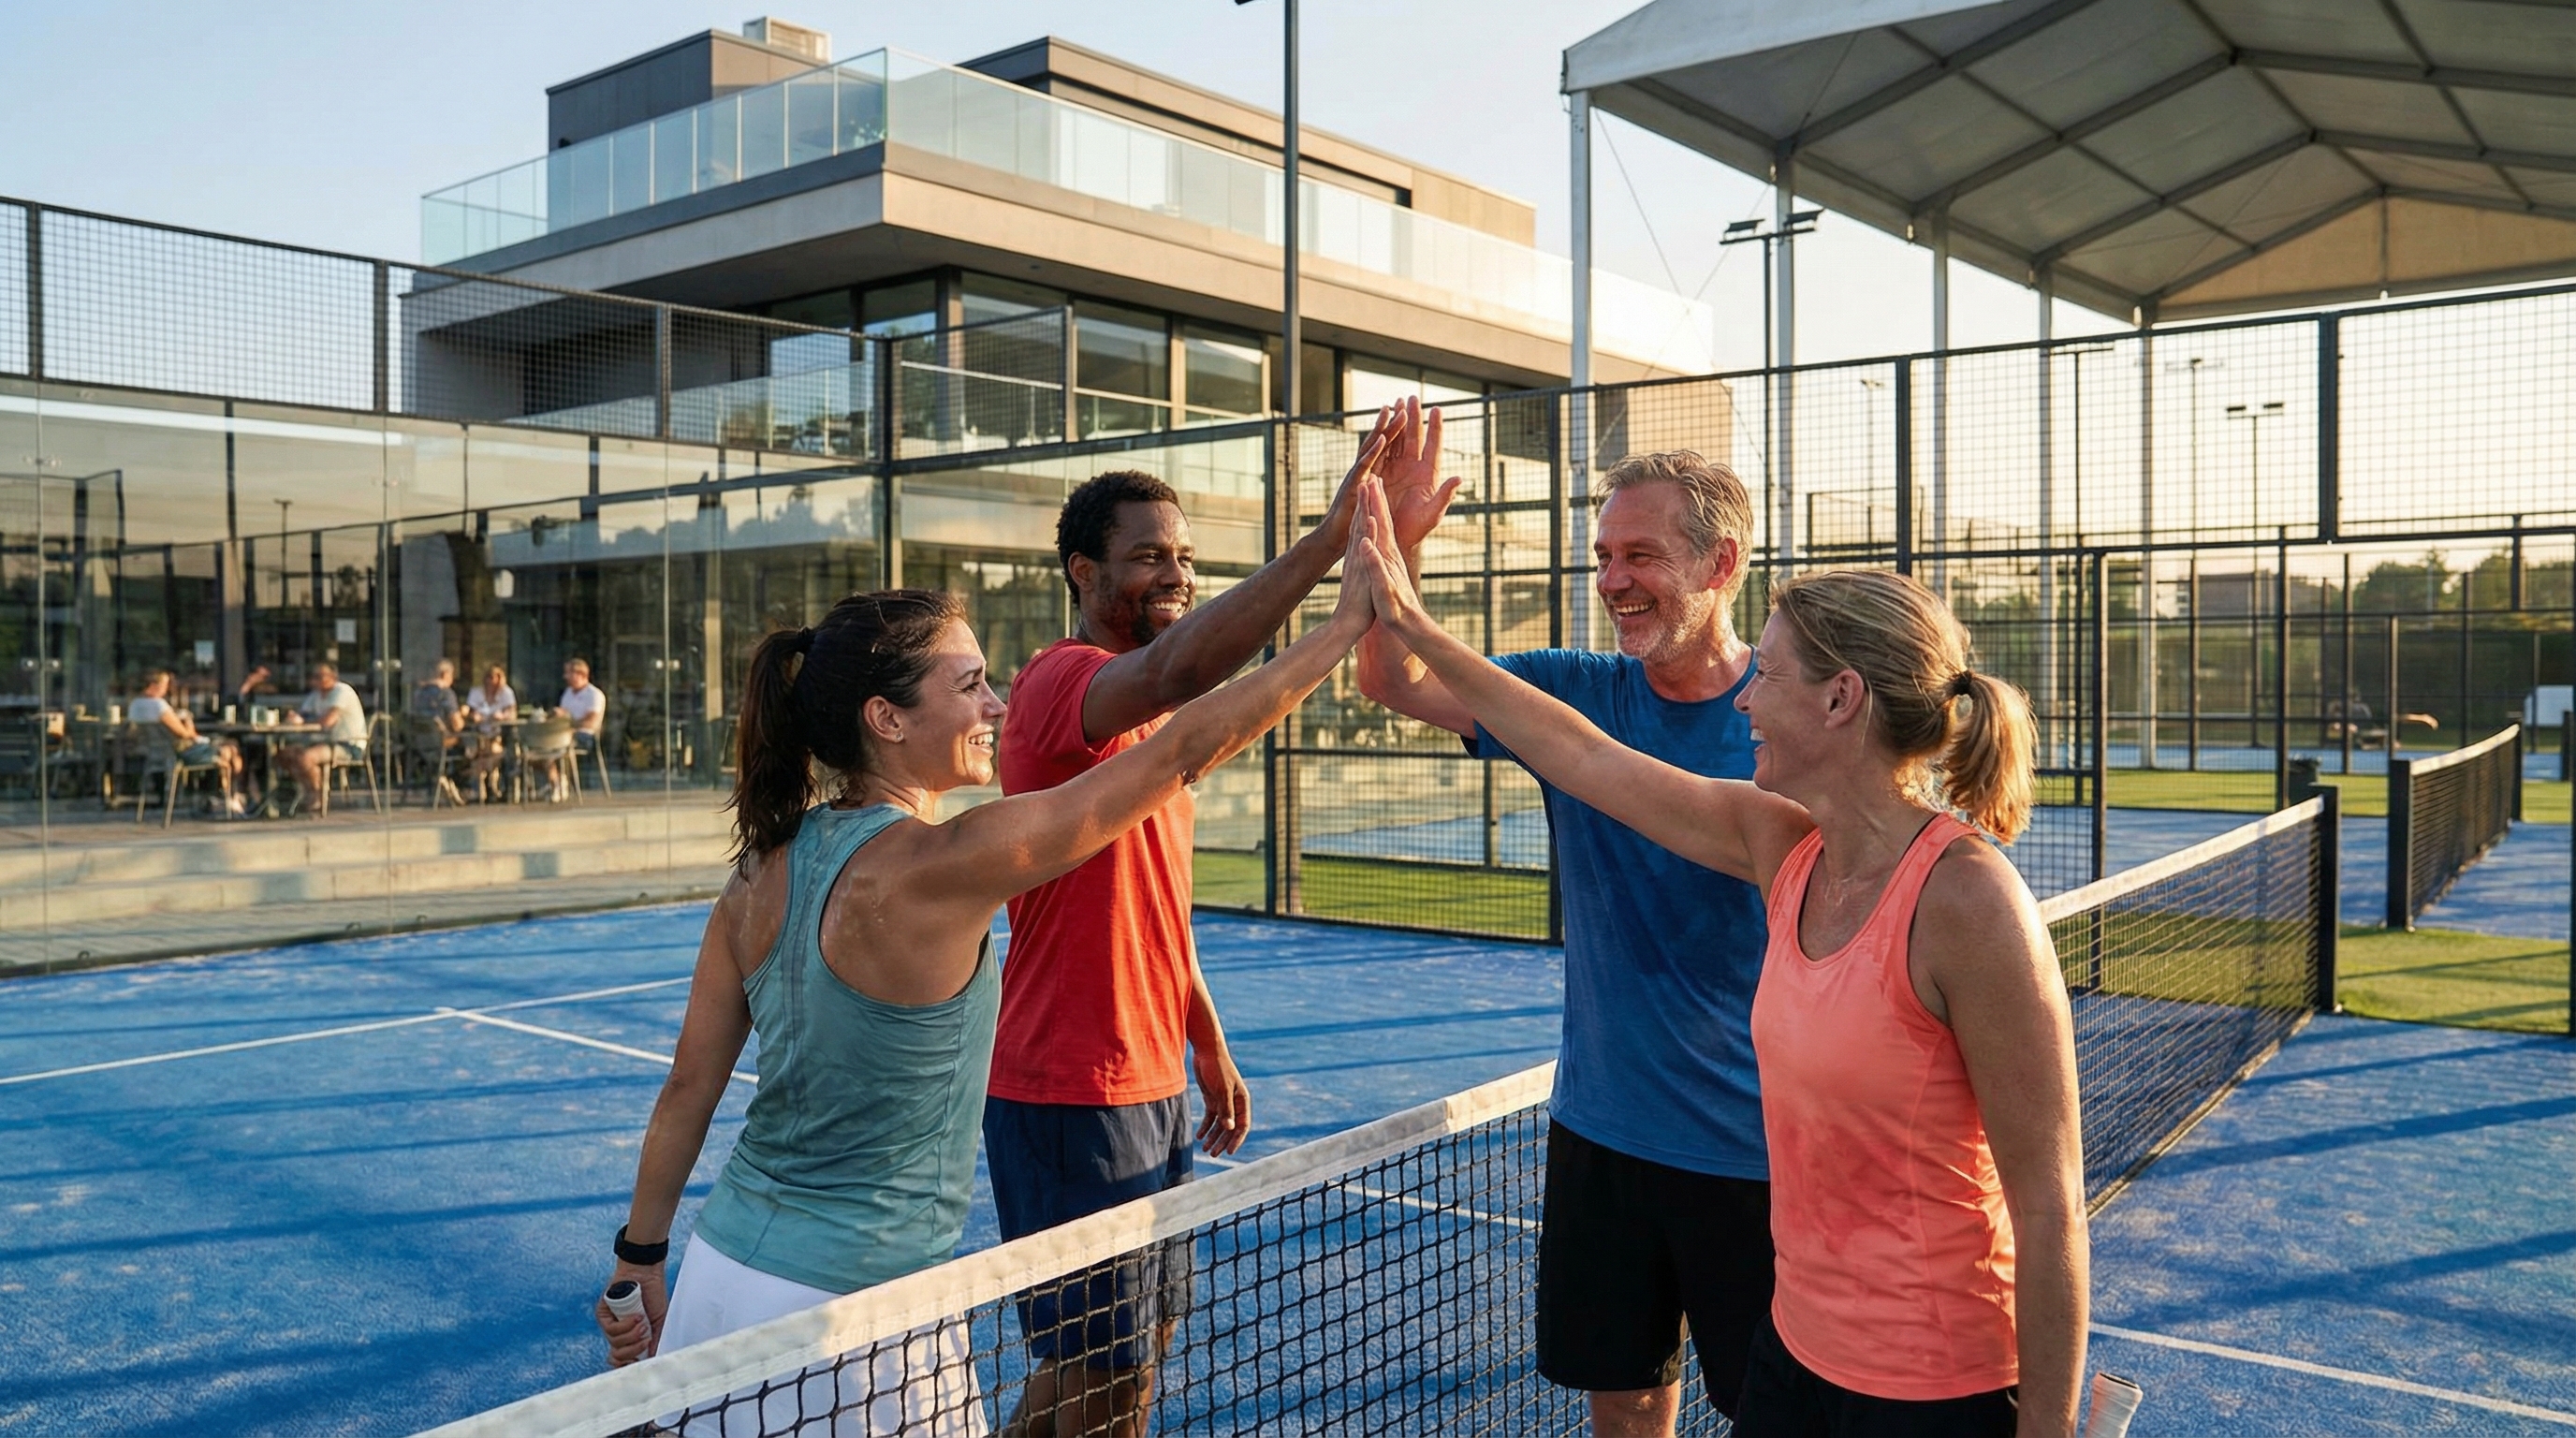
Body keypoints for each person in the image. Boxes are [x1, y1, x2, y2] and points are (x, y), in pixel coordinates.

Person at [1349, 487, 2088, 1438]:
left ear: (1840, 697)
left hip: (1931, 1388)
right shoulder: (1781, 849)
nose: (1746, 697)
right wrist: (1408, 617)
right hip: (1793, 1357)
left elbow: (2049, 1204)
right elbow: (1578, 754)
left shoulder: (1971, 905)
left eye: (1769, 677)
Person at [592, 580, 1377, 1435]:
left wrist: (640, 1260)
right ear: (886, 719)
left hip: (718, 1279)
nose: (996, 703)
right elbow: (1174, 755)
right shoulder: (942, 863)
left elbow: (687, 1090)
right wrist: (1345, 624)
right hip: (860, 1328)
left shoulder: (755, 872)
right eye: (967, 686)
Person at [988, 404, 1411, 1438]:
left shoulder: (1150, 729)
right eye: (1147, 558)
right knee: (1104, 1379)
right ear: (1084, 574)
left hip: (1149, 1084)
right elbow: (1190, 671)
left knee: (1122, 1366)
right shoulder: (1060, 684)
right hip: (1067, 1090)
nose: (1174, 575)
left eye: (1183, 557)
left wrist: (1205, 1046)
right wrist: (1331, 566)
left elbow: (1155, 909)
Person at [1354, 441, 1772, 1435]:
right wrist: (1399, 550)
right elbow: (1394, 679)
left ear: (1719, 567)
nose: (1613, 582)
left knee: (1773, 1413)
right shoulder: (1569, 687)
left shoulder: (1784, 715)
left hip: (1760, 1153)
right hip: (1601, 1131)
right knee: (1625, 1404)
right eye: (1602, 557)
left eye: (1641, 556)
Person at [128, 669, 249, 815]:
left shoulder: (134, 705)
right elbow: (183, 734)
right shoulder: (159, 706)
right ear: (155, 685)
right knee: (230, 748)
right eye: (165, 684)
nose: (167, 688)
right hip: (180, 753)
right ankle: (230, 796)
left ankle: (225, 797)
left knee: (229, 748)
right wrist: (188, 721)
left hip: (154, 752)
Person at [274, 663, 367, 813]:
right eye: (314, 677)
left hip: (348, 744)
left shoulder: (342, 691)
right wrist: (294, 717)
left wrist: (303, 722)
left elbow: (328, 722)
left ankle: (317, 795)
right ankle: (309, 790)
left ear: (333, 677)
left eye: (320, 676)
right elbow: (303, 714)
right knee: (284, 755)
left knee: (306, 758)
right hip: (321, 742)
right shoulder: (316, 695)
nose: (316, 680)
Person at [540, 657, 607, 800]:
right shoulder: (568, 693)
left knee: (553, 748)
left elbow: (590, 722)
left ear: (580, 675)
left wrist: (570, 723)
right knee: (539, 748)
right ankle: (557, 782)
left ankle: (559, 784)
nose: (565, 677)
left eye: (569, 673)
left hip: (584, 736)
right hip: (563, 734)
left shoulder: (594, 695)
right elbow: (564, 715)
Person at [463, 664, 517, 801]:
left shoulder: (506, 693)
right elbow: (469, 711)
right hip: (479, 733)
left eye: (494, 679)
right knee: (479, 750)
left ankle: (486, 784)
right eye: (488, 678)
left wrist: (503, 715)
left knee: (493, 750)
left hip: (499, 733)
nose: (490, 682)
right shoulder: (476, 692)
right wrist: (474, 716)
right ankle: (488, 785)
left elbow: (511, 712)